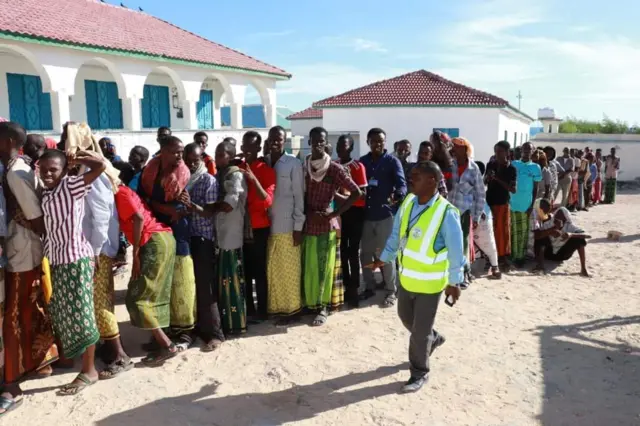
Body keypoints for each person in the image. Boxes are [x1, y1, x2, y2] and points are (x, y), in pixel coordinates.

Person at [369, 161, 464, 393]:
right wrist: (384, 257)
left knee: (418, 333)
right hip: (407, 279)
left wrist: (454, 282)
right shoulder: (409, 202)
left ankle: (419, 372)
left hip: (431, 284)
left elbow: (456, 250)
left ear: (432, 181)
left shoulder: (446, 212)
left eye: (416, 176)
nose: (411, 180)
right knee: (405, 318)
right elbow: (397, 234)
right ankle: (434, 338)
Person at [0, 122, 58, 413]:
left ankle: (12, 382)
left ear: (9, 140)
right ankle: (39, 360)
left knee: (15, 314)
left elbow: (36, 217)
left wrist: (26, 225)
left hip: (23, 250)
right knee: (24, 309)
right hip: (22, 247)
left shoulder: (15, 172)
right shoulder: (17, 166)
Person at [39, 149, 106, 395]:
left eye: (53, 169)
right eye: (43, 169)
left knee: (82, 313)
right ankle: (73, 359)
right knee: (62, 311)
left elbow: (99, 167)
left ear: (64, 170)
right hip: (57, 261)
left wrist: (77, 158)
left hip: (76, 260)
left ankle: (90, 371)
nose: (47, 173)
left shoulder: (71, 186)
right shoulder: (45, 191)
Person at [112, 163, 178, 366]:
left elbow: (139, 218)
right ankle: (160, 342)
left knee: (136, 297)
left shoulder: (120, 194)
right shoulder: (128, 192)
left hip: (153, 241)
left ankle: (166, 344)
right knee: (155, 295)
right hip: (163, 238)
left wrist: (137, 254)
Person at [139, 136, 196, 351]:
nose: (180, 156)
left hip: (177, 230)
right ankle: (163, 331)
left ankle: (185, 330)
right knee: (160, 281)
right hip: (155, 229)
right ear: (162, 151)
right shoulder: (151, 169)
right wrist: (157, 206)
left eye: (181, 151)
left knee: (181, 279)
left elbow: (176, 210)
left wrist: (157, 206)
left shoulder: (181, 173)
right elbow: (143, 197)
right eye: (175, 152)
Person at [81, 151, 133, 378]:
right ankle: (108, 346)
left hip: (97, 250)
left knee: (99, 304)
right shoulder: (85, 173)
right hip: (94, 249)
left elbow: (101, 217)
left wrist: (95, 251)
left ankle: (120, 355)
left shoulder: (96, 175)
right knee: (101, 302)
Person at [303, 127, 361, 325]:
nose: (318, 144)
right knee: (309, 266)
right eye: (315, 140)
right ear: (309, 141)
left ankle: (323, 306)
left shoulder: (334, 168)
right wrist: (307, 212)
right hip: (308, 223)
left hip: (326, 225)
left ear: (327, 143)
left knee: (325, 268)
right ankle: (310, 303)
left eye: (322, 140)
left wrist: (334, 213)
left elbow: (355, 193)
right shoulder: (305, 165)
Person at [179, 143, 225, 352]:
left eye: (195, 160)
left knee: (206, 288)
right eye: (187, 160)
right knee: (189, 288)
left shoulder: (208, 180)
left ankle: (214, 334)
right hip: (186, 238)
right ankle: (193, 329)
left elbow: (209, 212)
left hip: (203, 239)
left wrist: (190, 205)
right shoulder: (181, 178)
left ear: (202, 159)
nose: (191, 164)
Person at [359, 128, 407, 307]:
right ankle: (369, 287)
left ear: (385, 142)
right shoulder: (363, 162)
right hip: (367, 216)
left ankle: (390, 291)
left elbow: (402, 185)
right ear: (368, 142)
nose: (377, 144)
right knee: (365, 255)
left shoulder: (392, 162)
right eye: (374, 141)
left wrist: (398, 194)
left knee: (387, 255)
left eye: (381, 141)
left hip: (385, 215)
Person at [264, 126, 305, 324]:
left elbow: (299, 196)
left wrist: (298, 227)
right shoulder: (265, 163)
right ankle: (278, 308)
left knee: (289, 270)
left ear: (285, 140)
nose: (275, 142)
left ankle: (292, 310)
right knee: (274, 270)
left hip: (288, 226)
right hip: (268, 226)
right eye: (272, 138)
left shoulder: (293, 164)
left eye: (278, 139)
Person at [238, 131, 276, 321]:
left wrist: (253, 179)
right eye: (245, 146)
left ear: (258, 148)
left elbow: (267, 200)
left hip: (259, 227)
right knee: (245, 271)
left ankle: (263, 309)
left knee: (260, 271)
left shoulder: (266, 170)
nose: (247, 150)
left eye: (252, 146)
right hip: (240, 226)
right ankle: (249, 309)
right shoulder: (237, 167)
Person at [211, 140, 247, 334]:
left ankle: (237, 322)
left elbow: (229, 203)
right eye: (216, 154)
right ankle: (226, 320)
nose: (217, 158)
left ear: (231, 156)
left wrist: (210, 206)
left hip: (232, 231)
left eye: (221, 154)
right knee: (224, 277)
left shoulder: (235, 175)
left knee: (232, 278)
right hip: (222, 232)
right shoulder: (220, 174)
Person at [336, 134, 368, 308]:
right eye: (339, 145)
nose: (341, 148)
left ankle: (354, 288)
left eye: (345, 146)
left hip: (355, 212)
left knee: (352, 251)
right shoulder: (334, 165)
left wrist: (344, 197)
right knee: (341, 251)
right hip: (339, 214)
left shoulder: (357, 166)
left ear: (351, 147)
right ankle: (345, 285)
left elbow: (363, 194)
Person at [449, 137, 485, 284]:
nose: (454, 149)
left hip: (464, 212)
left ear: (465, 150)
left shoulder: (473, 168)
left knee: (463, 243)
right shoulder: (449, 165)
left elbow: (480, 193)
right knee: (448, 241)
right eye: (453, 147)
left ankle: (464, 274)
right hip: (448, 210)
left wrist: (476, 217)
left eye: (457, 147)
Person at [531, 199, 590, 277]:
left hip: (562, 254)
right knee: (541, 237)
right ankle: (540, 266)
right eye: (557, 217)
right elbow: (537, 235)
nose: (558, 219)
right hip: (548, 253)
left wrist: (570, 235)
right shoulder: (548, 223)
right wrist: (552, 230)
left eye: (561, 218)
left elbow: (587, 235)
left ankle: (583, 268)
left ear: (565, 218)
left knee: (579, 239)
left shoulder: (569, 226)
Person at [485, 141, 516, 270]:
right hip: (490, 202)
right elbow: (484, 181)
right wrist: (488, 178)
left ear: (507, 153)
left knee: (502, 232)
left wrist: (496, 178)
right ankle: (490, 257)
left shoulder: (511, 169)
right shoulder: (490, 165)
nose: (497, 154)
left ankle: (502, 258)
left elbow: (512, 189)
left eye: (500, 151)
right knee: (489, 231)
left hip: (502, 203)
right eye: (496, 151)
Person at [509, 142, 541, 267]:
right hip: (512, 203)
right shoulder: (514, 164)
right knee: (512, 230)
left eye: (530, 148)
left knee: (522, 232)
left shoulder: (536, 167)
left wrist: (531, 206)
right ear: (521, 150)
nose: (527, 150)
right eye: (525, 148)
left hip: (526, 204)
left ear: (533, 151)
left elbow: (536, 189)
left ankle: (520, 257)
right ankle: (512, 255)